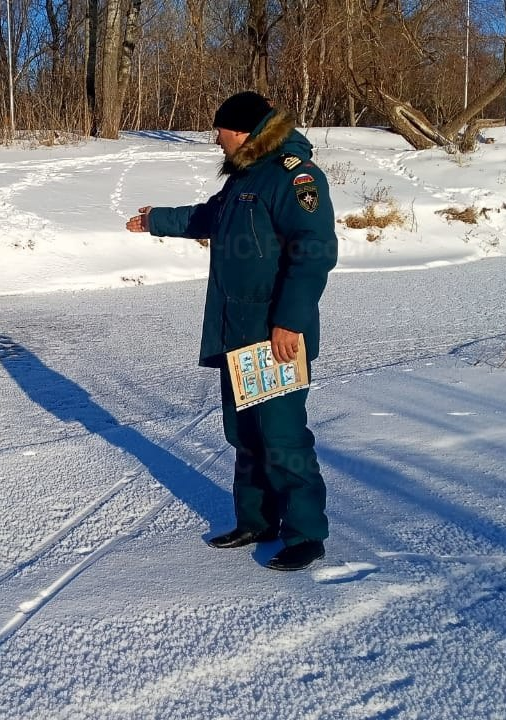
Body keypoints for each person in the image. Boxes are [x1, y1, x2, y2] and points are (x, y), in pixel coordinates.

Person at [125, 91, 337, 571]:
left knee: (282, 435)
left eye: (218, 130)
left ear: (240, 130)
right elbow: (209, 216)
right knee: (244, 432)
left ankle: (306, 533)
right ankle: (257, 521)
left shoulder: (294, 177)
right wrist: (155, 220)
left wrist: (289, 322)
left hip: (275, 335)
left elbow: (314, 251)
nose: (215, 139)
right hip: (238, 331)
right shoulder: (247, 174)